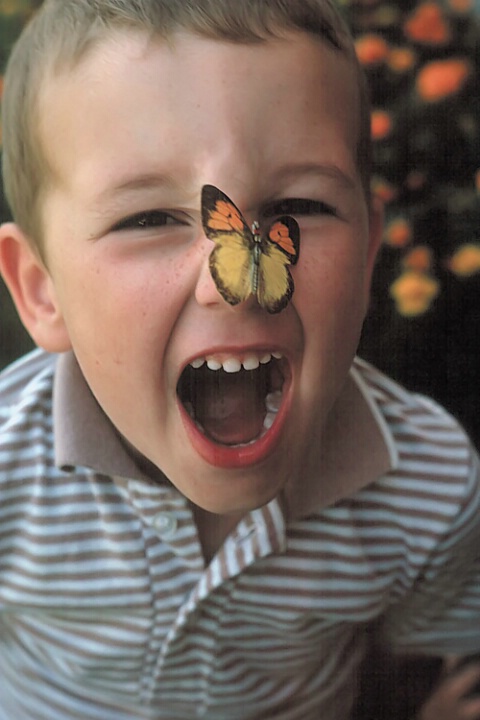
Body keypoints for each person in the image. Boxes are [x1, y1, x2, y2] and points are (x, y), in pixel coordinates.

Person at [0, 1, 480, 718]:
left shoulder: (432, 489)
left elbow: (407, 649)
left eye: (297, 207)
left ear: (369, 254)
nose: (232, 288)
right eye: (149, 219)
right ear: (42, 293)